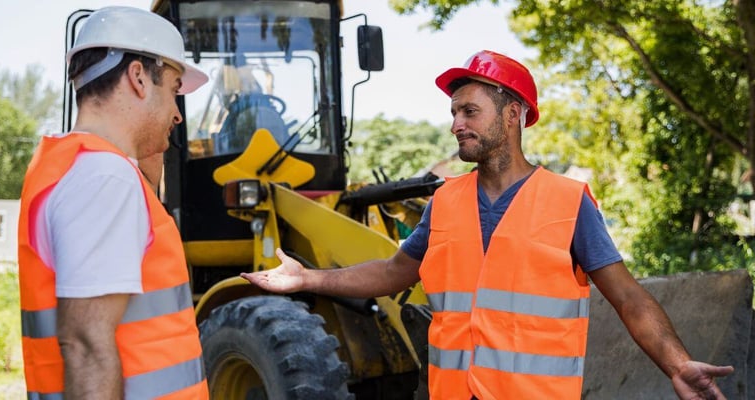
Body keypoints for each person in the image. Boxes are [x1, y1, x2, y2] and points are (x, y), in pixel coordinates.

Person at [241, 50, 734, 399]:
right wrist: (308, 278)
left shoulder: (568, 202)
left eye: (470, 110)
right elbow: (394, 272)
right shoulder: (446, 201)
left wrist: (677, 364)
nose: (457, 122)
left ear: (514, 114)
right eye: (454, 112)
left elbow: (628, 297)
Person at [17, 6, 210, 399]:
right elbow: (87, 347)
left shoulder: (78, 165)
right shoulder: (103, 176)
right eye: (174, 90)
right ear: (139, 77)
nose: (177, 115)